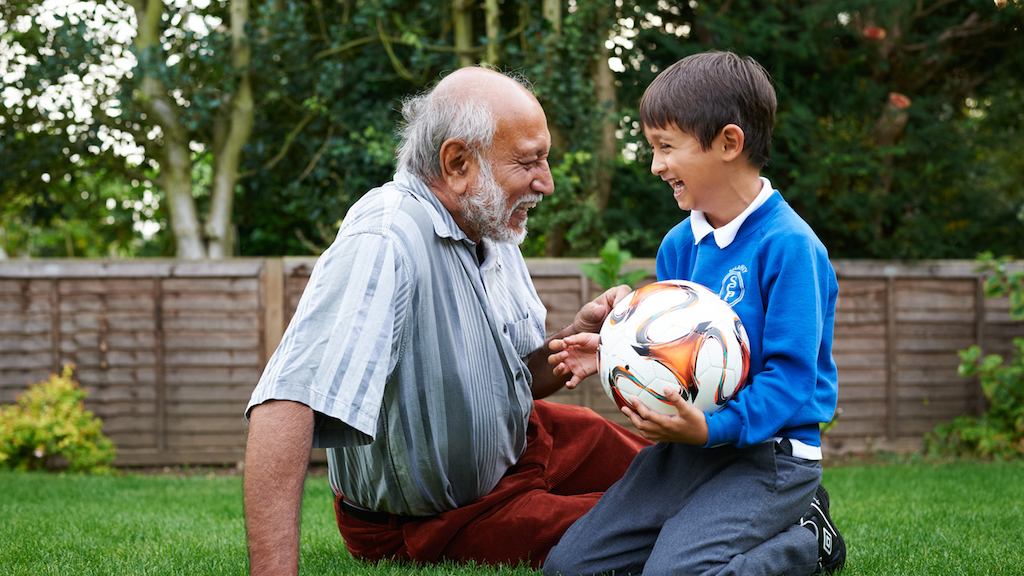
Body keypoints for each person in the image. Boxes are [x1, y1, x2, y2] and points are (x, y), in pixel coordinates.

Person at [243, 67, 648, 576]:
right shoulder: (384, 240)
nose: (546, 182)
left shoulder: (489, 223)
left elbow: (516, 378)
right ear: (458, 163)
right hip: (444, 517)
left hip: (524, 447)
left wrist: (573, 341)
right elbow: (286, 400)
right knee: (647, 521)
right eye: (528, 162)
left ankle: (763, 486)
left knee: (673, 469)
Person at [543, 51, 846, 575]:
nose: (656, 165)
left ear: (729, 143)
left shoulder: (791, 247)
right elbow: (678, 351)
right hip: (688, 450)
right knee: (568, 568)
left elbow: (793, 382)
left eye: (665, 147)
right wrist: (615, 349)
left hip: (769, 455)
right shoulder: (679, 246)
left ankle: (806, 542)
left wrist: (711, 429)